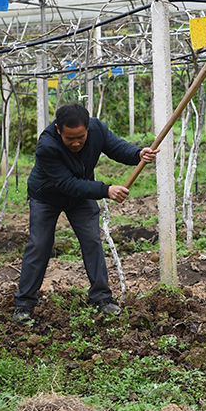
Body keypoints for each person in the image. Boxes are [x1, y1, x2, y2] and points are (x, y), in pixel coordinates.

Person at [14, 103, 157, 321]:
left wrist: (138, 153)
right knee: (40, 244)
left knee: (91, 241)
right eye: (70, 138)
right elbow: (67, 183)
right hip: (47, 197)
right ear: (58, 129)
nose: (76, 142)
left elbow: (116, 147)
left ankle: (102, 298)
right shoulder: (46, 146)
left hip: (80, 196)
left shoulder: (97, 129)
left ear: (88, 128)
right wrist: (106, 190)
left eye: (81, 136)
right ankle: (24, 303)